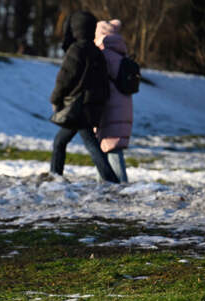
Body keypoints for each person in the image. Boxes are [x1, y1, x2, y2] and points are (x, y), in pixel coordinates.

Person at [49, 11, 120, 183]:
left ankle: (55, 176)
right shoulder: (96, 51)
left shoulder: (77, 49)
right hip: (91, 106)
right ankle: (109, 178)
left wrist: (55, 98)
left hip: (78, 107)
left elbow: (65, 78)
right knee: (81, 142)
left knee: (64, 142)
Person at [94, 19, 133, 183]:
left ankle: (121, 186)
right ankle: (103, 184)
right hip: (123, 106)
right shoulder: (120, 53)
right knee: (109, 147)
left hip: (109, 107)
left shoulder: (104, 55)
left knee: (110, 147)